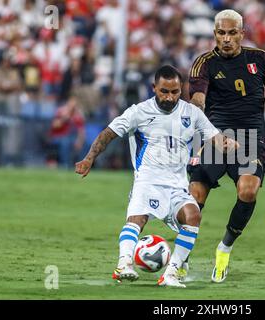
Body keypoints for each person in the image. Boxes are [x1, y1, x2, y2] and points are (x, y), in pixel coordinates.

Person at [75, 65, 238, 288]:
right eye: (164, 91)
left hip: (178, 184)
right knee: (137, 220)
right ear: (154, 88)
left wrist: (226, 144)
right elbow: (108, 133)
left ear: (181, 90)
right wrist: (89, 158)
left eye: (175, 92)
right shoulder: (138, 112)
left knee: (193, 216)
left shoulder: (192, 113)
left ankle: (171, 273)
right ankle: (124, 264)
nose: (169, 97)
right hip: (148, 181)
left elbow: (214, 137)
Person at [187, 9, 265, 283]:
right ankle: (181, 258)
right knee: (194, 199)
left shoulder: (259, 59)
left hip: (251, 137)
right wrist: (197, 106)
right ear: (214, 34)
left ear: (241, 34)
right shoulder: (204, 64)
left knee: (248, 191)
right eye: (221, 33)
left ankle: (224, 248)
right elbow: (198, 97)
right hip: (215, 137)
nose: (226, 39)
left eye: (232, 33)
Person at [50, 95, 86, 168]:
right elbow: (54, 125)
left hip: (73, 137)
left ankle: (81, 166)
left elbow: (81, 131)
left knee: (86, 144)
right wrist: (64, 118)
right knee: (65, 142)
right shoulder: (60, 111)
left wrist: (79, 141)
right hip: (59, 136)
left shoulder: (78, 115)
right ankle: (65, 165)